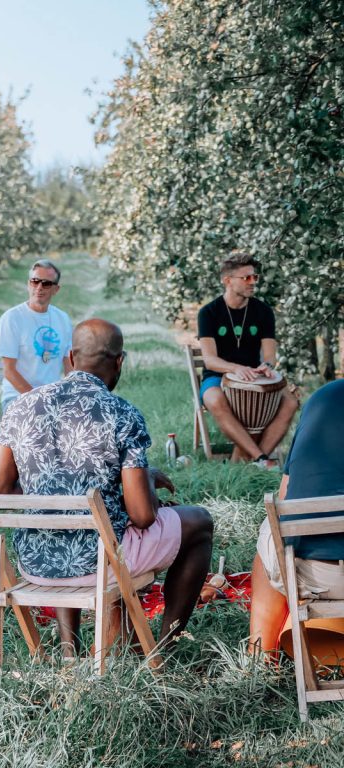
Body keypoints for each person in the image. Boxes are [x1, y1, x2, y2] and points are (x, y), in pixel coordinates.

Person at [0, 318, 213, 651]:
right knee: (199, 522)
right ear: (119, 362)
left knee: (72, 518)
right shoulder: (122, 413)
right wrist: (145, 477)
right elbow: (143, 516)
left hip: (34, 562)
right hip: (99, 564)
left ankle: (68, 648)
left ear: (71, 358)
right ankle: (161, 647)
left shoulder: (21, 407)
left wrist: (51, 491)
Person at [249, 380, 344, 654]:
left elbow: (285, 495)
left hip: (312, 575)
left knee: (273, 526)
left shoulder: (321, 398)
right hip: (319, 574)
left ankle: (260, 654)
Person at [197, 250, 298, 467]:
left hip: (255, 377)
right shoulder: (209, 313)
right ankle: (261, 458)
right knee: (215, 399)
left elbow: (270, 355)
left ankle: (251, 462)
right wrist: (235, 369)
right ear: (227, 281)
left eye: (255, 277)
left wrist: (267, 366)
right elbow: (210, 360)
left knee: (290, 401)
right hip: (217, 377)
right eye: (246, 278)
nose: (253, 282)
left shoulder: (263, 312)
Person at [0, 259, 73, 411]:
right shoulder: (12, 318)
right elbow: (9, 371)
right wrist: (38, 400)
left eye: (46, 283)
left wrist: (71, 396)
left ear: (56, 289)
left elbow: (69, 366)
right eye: (35, 281)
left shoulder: (62, 319)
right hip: (18, 398)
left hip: (52, 399)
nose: (39, 287)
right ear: (28, 284)